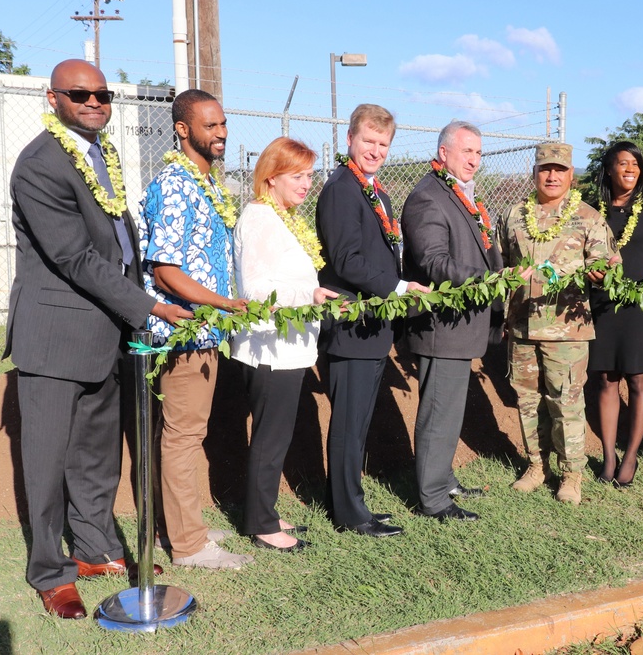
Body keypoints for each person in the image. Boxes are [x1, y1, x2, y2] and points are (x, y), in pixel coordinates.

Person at [5, 59, 190, 618]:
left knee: (95, 456)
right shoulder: (40, 164)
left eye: (103, 94)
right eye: (80, 93)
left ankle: (96, 549)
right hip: (56, 335)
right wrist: (149, 305)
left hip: (105, 334)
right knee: (45, 463)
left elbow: (117, 244)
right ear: (53, 97)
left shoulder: (98, 156)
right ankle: (50, 572)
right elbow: (72, 256)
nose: (94, 102)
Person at [138, 89, 252, 569]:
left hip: (206, 333)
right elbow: (166, 271)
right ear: (183, 130)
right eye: (210, 125)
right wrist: (225, 302)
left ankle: (188, 526)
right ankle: (187, 546)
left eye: (223, 123)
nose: (221, 133)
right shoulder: (176, 184)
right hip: (184, 331)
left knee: (191, 432)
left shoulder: (204, 182)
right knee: (183, 436)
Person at [317, 104, 430, 537]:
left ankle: (353, 502)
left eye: (383, 144)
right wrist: (399, 288)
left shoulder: (373, 191)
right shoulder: (342, 188)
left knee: (359, 420)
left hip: (372, 325)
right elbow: (347, 260)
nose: (375, 150)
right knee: (348, 422)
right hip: (352, 324)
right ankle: (348, 514)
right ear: (350, 139)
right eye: (369, 141)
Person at [230, 138, 338, 551]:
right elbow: (256, 289)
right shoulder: (258, 219)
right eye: (298, 175)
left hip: (287, 347)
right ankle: (261, 525)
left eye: (310, 175)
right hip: (269, 348)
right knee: (271, 437)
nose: (307, 183)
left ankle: (266, 510)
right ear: (271, 178)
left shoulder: (283, 217)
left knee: (275, 434)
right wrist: (308, 295)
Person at [500, 142, 616, 505]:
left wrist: (601, 271)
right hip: (522, 325)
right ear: (534, 172)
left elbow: (607, 261)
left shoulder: (587, 216)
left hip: (567, 329)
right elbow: (501, 261)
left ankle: (571, 474)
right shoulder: (514, 214)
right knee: (527, 400)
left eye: (560, 169)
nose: (552, 175)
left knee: (566, 401)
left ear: (571, 174)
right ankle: (537, 465)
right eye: (545, 169)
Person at [401, 122, 501, 522]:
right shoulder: (429, 197)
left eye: (478, 153)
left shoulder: (458, 194)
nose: (474, 160)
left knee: (448, 412)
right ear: (444, 153)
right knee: (439, 414)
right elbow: (432, 262)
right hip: (442, 327)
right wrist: (486, 281)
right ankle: (434, 500)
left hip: (460, 328)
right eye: (466, 152)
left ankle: (442, 480)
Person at [588, 141, 643, 488]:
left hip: (642, 306)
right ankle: (609, 455)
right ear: (609, 168)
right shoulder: (589, 211)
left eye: (635, 164)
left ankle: (631, 455)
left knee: (639, 380)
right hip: (603, 305)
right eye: (622, 163)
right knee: (606, 379)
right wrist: (589, 271)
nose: (629, 169)